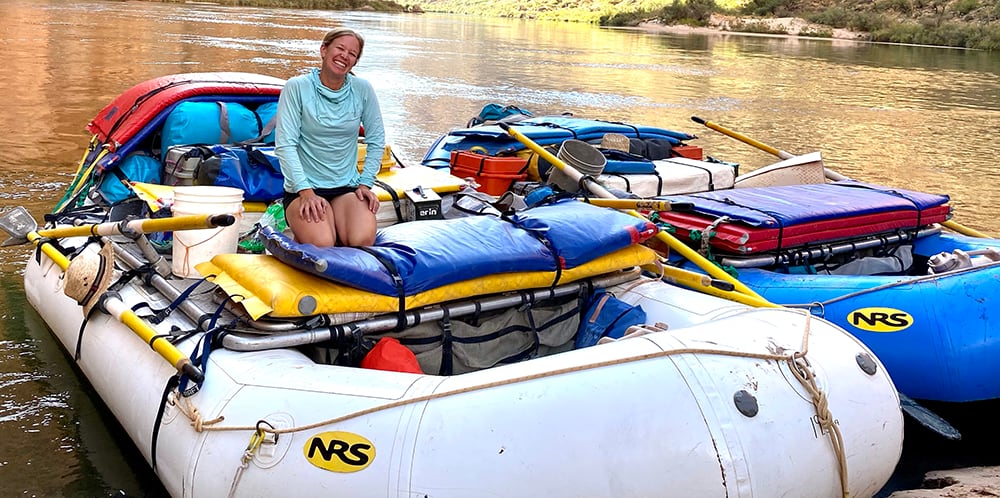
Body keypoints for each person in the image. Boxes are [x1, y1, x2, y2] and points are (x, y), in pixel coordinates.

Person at [275, 27, 386, 247]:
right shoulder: (296, 87)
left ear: (354, 62)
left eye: (352, 54)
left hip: (347, 187)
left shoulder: (362, 89)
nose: (345, 56)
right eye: (340, 48)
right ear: (324, 50)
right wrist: (305, 192)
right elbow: (285, 145)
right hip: (304, 189)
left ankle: (333, 224)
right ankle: (306, 234)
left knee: (362, 240)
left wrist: (366, 184)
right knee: (323, 243)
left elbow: (376, 140)